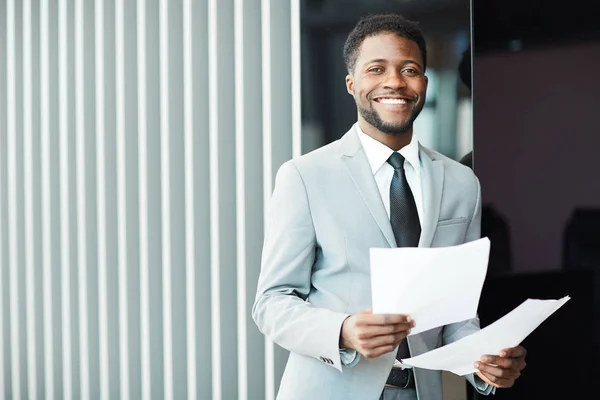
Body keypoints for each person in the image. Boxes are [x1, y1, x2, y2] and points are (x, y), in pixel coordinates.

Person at [253, 13, 526, 400]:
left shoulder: (463, 183)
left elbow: (458, 316)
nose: (394, 81)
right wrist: (343, 331)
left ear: (425, 84)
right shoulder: (304, 176)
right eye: (376, 69)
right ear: (352, 84)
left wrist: (484, 361)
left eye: (409, 69)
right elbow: (272, 303)